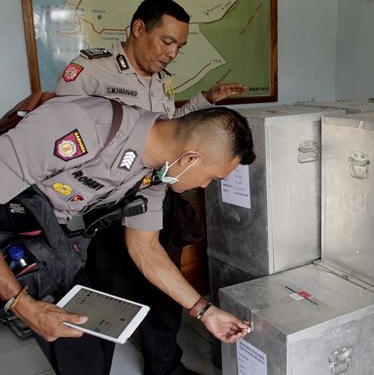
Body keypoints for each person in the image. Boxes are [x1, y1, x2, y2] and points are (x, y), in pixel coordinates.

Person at [55, 0, 247, 375]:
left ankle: (165, 367)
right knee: (104, 299)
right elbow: (62, 139)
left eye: (180, 45)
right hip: (104, 209)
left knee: (164, 289)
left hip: (152, 194)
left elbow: (171, 130)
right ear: (139, 28)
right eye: (167, 41)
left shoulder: (161, 81)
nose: (173, 53)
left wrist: (204, 101)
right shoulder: (92, 70)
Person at [0, 95, 255, 375]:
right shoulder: (82, 125)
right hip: (11, 228)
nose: (205, 185)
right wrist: (22, 305)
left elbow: (145, 249)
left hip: (49, 242)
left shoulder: (156, 175)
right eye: (213, 178)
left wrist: (206, 312)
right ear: (190, 159)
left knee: (86, 348)